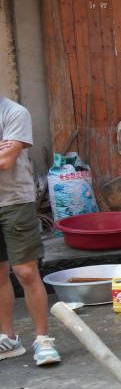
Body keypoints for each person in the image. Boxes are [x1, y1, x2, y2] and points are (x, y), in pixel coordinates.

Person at [0, 95, 58, 366]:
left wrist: (4, 152)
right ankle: (8, 338)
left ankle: (42, 339)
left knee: (25, 270)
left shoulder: (14, 112)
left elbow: (6, 161)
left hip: (14, 201)